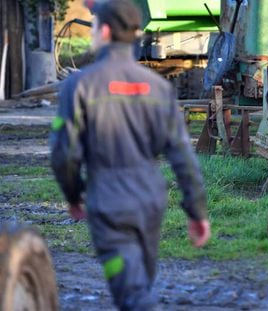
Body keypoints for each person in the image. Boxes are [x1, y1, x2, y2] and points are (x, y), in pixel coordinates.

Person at [50, 0, 211, 309]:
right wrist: (197, 211)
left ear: (106, 30)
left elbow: (63, 153)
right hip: (150, 200)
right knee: (140, 281)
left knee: (133, 293)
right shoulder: (159, 88)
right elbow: (183, 157)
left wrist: (73, 195)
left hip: (108, 201)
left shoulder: (79, 85)